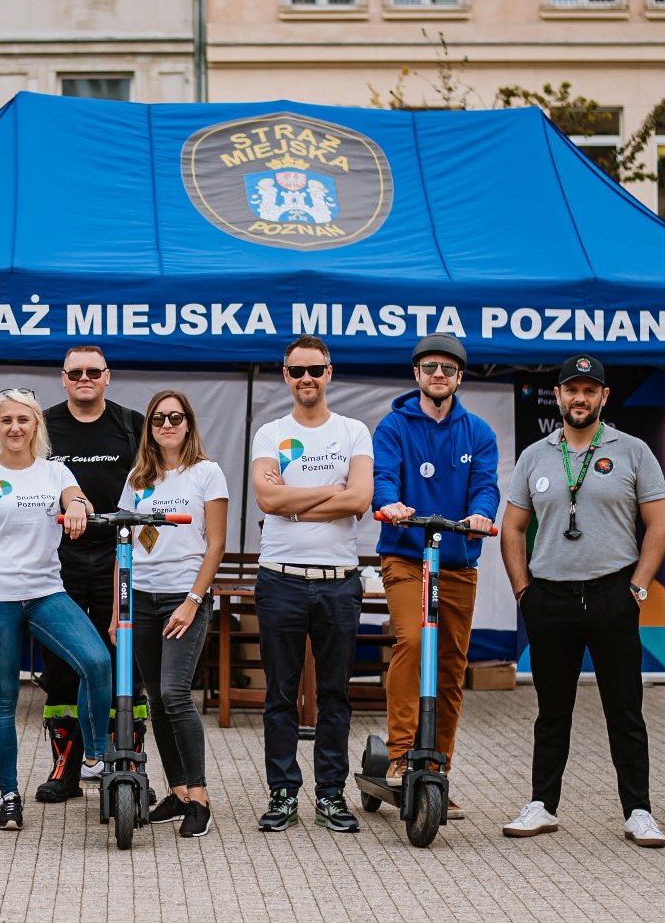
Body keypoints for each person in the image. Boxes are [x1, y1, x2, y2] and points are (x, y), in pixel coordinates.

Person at [500, 354, 665, 848]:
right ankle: (542, 805)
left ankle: (638, 810)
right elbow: (511, 529)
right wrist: (522, 592)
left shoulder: (634, 451)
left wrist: (637, 588)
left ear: (603, 397)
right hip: (548, 597)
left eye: (589, 390)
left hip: (611, 593)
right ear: (558, 396)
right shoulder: (534, 456)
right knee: (552, 711)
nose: (580, 398)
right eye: (571, 390)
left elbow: (660, 524)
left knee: (625, 710)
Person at [0, 389, 108, 831]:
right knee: (2, 698)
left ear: (37, 425)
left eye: (24, 419)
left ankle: (95, 755)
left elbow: (78, 499)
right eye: (6, 420)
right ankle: (8, 796)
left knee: (97, 662)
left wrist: (78, 505)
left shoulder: (53, 472)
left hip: (46, 592)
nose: (15, 428)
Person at [249, 335, 374, 834]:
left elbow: (361, 497)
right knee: (280, 693)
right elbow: (265, 499)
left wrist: (293, 500)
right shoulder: (270, 433)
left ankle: (330, 795)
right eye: (297, 370)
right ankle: (282, 794)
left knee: (334, 694)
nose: (306, 379)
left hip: (338, 581)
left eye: (315, 370)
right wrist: (329, 491)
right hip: (280, 578)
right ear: (285, 374)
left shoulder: (354, 431)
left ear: (329, 372)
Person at [370, 334, 498, 821]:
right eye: (430, 367)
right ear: (418, 375)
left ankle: (437, 767)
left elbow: (485, 487)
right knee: (411, 641)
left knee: (450, 662)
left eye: (447, 368)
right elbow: (384, 477)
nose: (438, 374)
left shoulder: (478, 432)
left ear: (460, 377)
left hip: (458, 560)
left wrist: (482, 515)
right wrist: (391, 504)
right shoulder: (394, 427)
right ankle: (401, 757)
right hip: (406, 556)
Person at [39, 345, 146, 803]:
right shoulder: (43, 425)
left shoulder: (132, 424)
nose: (85, 378)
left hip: (117, 557)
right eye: (76, 372)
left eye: (93, 372)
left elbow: (156, 482)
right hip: (57, 558)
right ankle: (66, 767)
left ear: (108, 377)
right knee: (62, 665)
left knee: (124, 660)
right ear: (64, 378)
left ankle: (123, 760)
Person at [118, 389, 227, 839]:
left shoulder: (207, 473)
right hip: (140, 597)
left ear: (188, 423)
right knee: (156, 701)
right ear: (149, 426)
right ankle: (178, 791)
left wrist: (192, 601)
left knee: (175, 694)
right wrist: (117, 610)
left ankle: (199, 797)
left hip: (183, 598)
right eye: (158, 418)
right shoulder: (139, 478)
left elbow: (215, 544)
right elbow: (123, 544)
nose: (167, 425)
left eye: (175, 417)